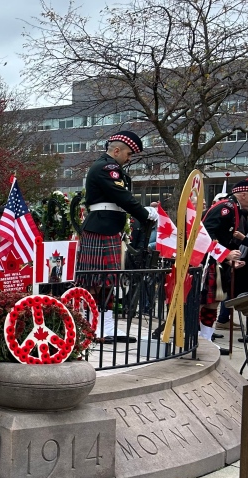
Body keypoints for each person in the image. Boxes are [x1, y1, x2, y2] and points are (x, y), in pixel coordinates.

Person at [78, 131, 157, 344]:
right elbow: (121, 196)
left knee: (108, 282)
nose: (129, 158)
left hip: (108, 228)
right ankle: (90, 329)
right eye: (129, 154)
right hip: (100, 228)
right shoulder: (107, 167)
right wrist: (144, 213)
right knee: (95, 282)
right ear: (116, 150)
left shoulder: (109, 167)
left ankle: (107, 327)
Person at [200, 178, 248, 350]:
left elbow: (225, 239)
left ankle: (206, 341)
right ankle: (195, 340)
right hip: (206, 261)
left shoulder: (235, 208)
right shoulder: (226, 208)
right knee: (202, 302)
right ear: (243, 194)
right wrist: (226, 254)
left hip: (218, 261)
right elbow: (204, 233)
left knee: (213, 302)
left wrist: (230, 259)